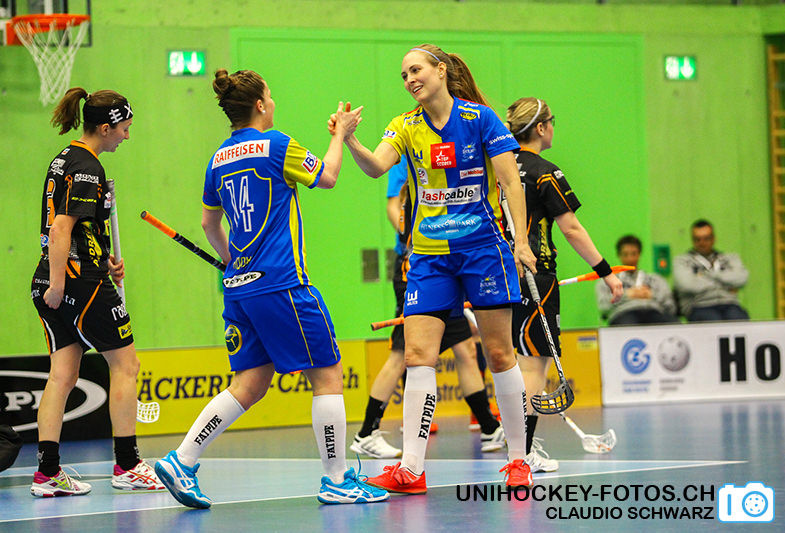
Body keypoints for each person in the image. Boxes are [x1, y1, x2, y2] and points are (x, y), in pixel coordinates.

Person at [154, 69, 387, 508]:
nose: (274, 102)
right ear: (260, 105)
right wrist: (340, 135)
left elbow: (209, 223)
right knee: (327, 374)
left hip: (239, 289)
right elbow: (328, 176)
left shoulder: (217, 159)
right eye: (271, 95)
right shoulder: (276, 144)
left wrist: (231, 260)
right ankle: (337, 479)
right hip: (282, 283)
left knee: (251, 382)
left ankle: (181, 459)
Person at [333, 43, 538, 491]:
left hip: (483, 249)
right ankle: (412, 468)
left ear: (441, 71)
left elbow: (510, 182)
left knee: (499, 354)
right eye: (404, 75)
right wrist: (349, 139)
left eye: (416, 70)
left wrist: (521, 242)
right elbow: (376, 167)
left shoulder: (480, 119)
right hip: (428, 256)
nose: (410, 79)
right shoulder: (404, 126)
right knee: (416, 356)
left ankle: (519, 459)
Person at [29, 88, 164, 497]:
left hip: (55, 276)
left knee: (63, 375)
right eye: (124, 129)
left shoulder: (65, 158)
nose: (127, 136)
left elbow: (78, 229)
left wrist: (104, 259)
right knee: (126, 365)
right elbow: (61, 229)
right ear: (105, 128)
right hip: (76, 281)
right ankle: (128, 465)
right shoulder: (89, 168)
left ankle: (47, 473)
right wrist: (60, 283)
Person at [504, 97, 623, 474]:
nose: (553, 127)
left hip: (494, 274)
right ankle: (521, 454)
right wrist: (605, 271)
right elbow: (571, 229)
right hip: (534, 275)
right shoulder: (545, 173)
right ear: (540, 128)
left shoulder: (497, 166)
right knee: (532, 367)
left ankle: (518, 445)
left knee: (511, 364)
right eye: (551, 121)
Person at [351, 167, 503, 459]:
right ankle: (367, 432)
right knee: (400, 355)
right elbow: (398, 210)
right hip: (418, 270)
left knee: (465, 349)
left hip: (445, 268)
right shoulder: (409, 173)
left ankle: (488, 427)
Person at [673, 219, 749, 322]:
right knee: (713, 321)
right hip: (699, 306)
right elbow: (686, 285)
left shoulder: (730, 258)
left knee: (739, 318)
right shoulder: (682, 261)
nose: (702, 243)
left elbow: (742, 278)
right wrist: (725, 284)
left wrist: (706, 275)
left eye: (706, 239)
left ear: (713, 239)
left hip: (729, 304)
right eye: (697, 239)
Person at [596, 235, 678, 325]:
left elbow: (671, 306)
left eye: (634, 254)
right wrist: (627, 295)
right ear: (619, 255)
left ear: (639, 254)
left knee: (674, 323)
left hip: (654, 312)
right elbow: (603, 307)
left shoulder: (655, 279)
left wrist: (651, 295)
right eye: (625, 254)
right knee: (629, 324)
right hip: (624, 314)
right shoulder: (608, 281)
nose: (630, 259)